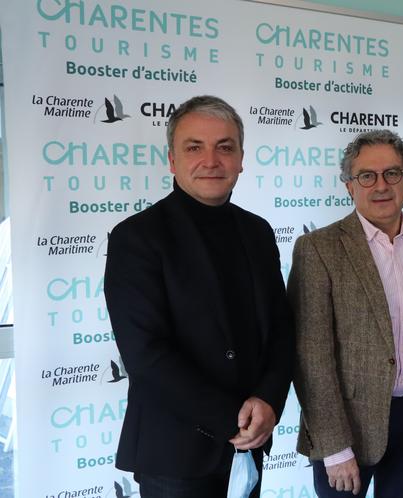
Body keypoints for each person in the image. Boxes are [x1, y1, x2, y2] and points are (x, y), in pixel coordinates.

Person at [104, 95, 294, 498]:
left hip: (251, 442)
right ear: (172, 160)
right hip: (175, 454)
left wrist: (269, 399)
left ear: (241, 158)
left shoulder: (258, 232)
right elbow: (145, 354)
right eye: (195, 147)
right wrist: (232, 420)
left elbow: (280, 329)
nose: (212, 160)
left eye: (225, 147)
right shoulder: (137, 237)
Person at [288, 130, 403, 498]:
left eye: (392, 174)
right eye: (366, 176)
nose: (380, 185)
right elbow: (311, 355)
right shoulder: (317, 249)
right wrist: (334, 446)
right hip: (347, 427)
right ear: (350, 186)